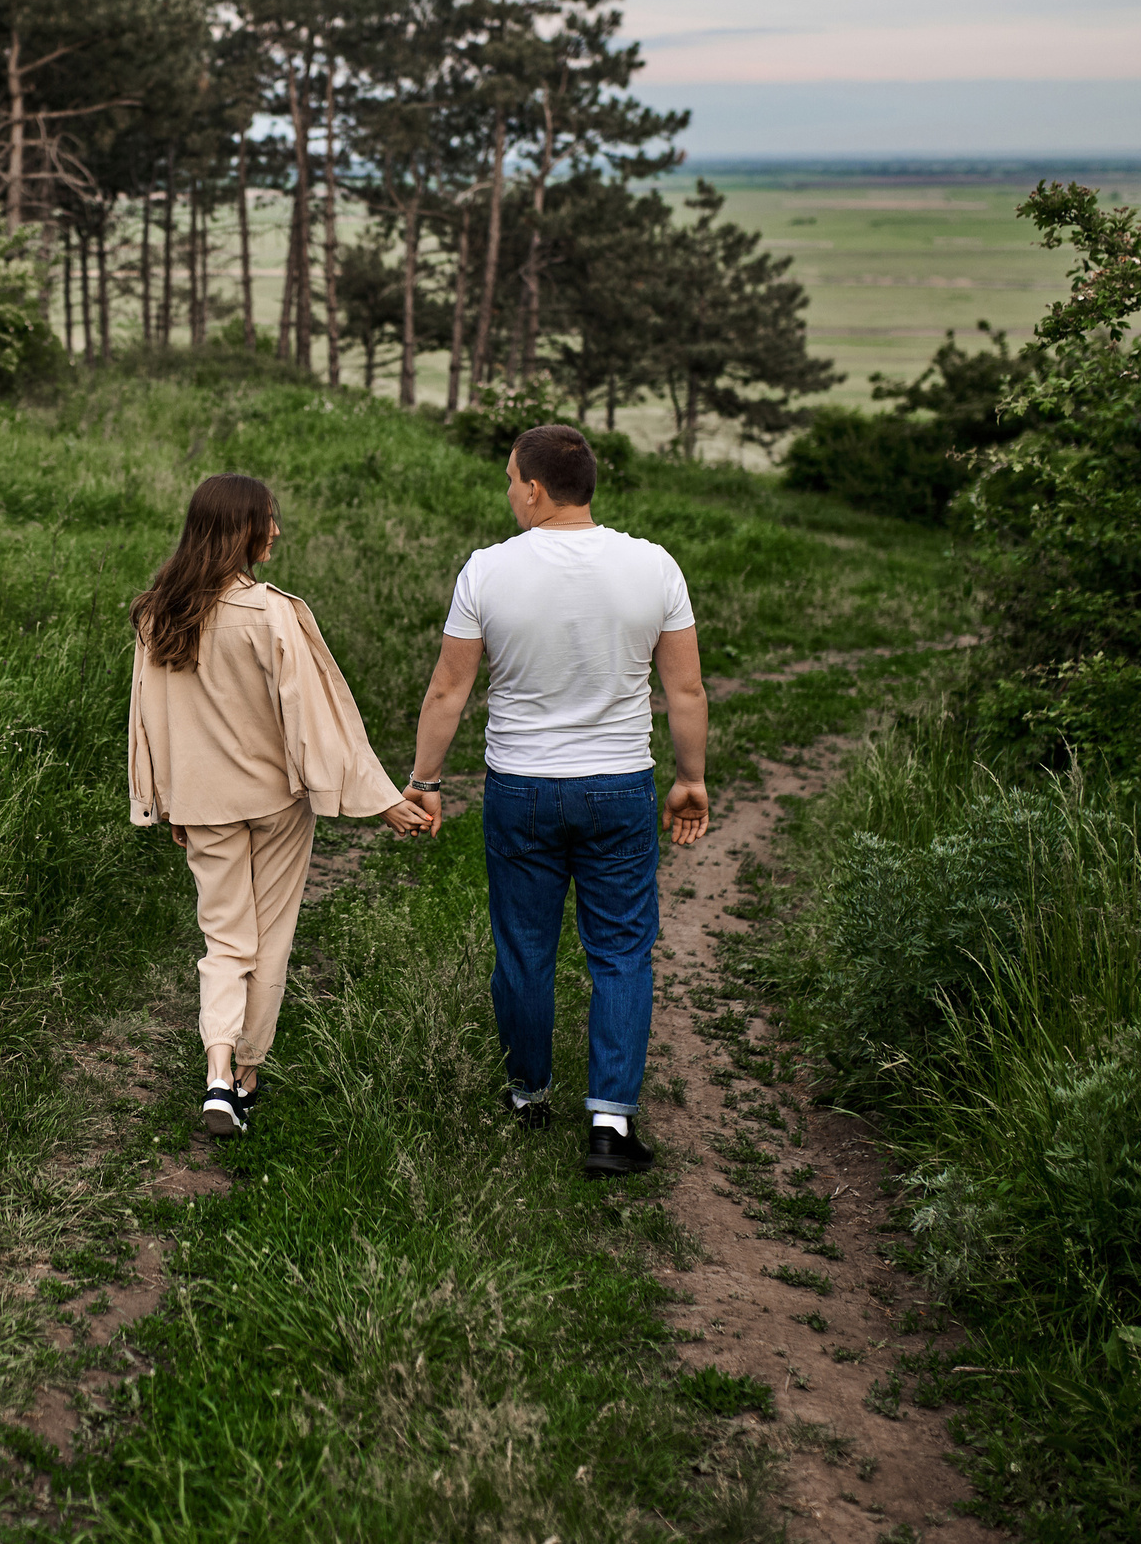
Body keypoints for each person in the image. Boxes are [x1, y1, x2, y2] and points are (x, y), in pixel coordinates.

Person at [402, 424, 710, 1177]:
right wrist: (689, 776)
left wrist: (425, 780)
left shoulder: (486, 571)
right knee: (622, 951)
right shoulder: (654, 566)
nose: (509, 491)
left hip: (524, 788)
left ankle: (528, 1093)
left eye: (511, 478)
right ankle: (610, 1121)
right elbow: (686, 689)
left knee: (526, 950)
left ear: (535, 487)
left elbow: (450, 687)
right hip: (620, 787)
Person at [129, 474, 433, 1136]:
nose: (276, 531)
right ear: (241, 529)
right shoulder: (269, 611)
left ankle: (215, 1072)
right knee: (269, 941)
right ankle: (246, 1076)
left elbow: (147, 716)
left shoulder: (157, 611)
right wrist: (380, 799)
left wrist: (164, 800)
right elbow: (315, 719)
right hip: (273, 800)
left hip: (201, 802)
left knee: (224, 939)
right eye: (269, 520)